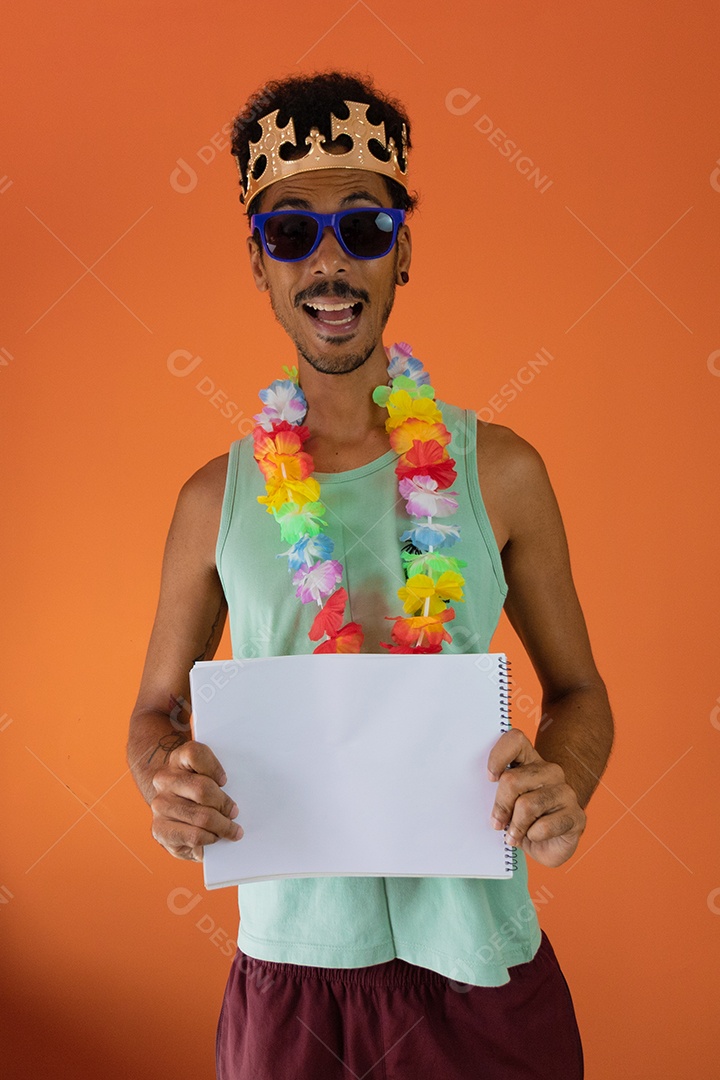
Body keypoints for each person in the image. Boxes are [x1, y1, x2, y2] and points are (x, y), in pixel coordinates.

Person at [127, 70, 614, 1079]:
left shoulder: (504, 471)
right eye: (292, 234)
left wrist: (565, 783)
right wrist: (165, 786)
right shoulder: (212, 501)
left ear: (405, 250)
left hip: (478, 965)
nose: (332, 264)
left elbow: (579, 694)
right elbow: (154, 713)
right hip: (291, 976)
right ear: (259, 265)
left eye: (366, 226)